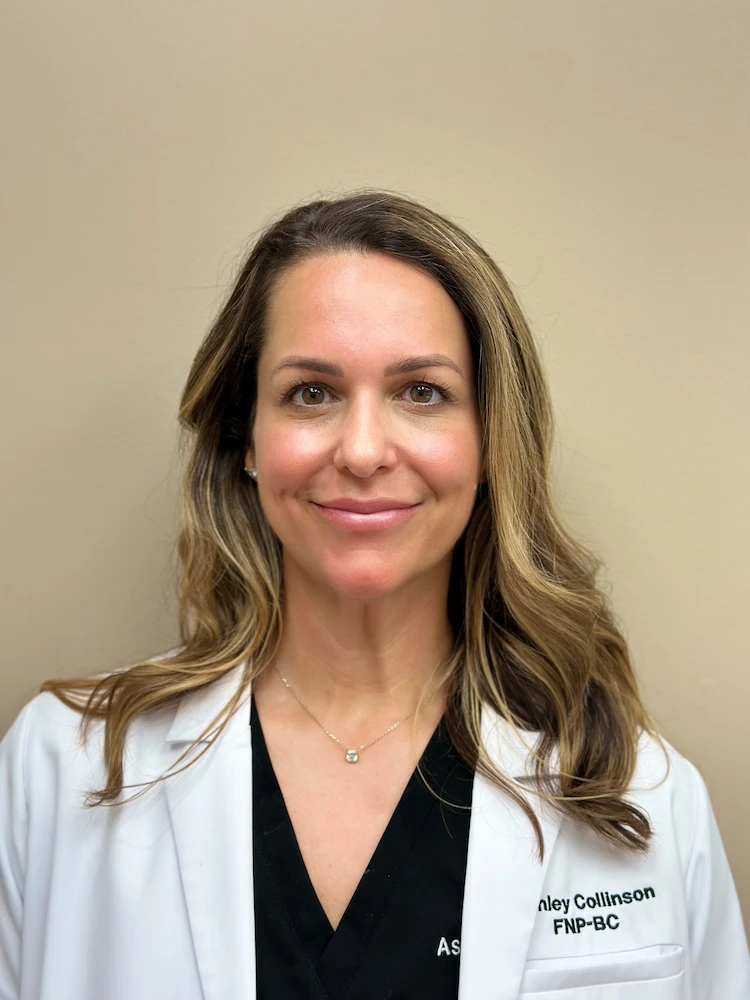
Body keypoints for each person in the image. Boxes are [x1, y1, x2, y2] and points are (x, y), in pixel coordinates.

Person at [0, 190, 748, 1000]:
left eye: (421, 391)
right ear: (244, 439)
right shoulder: (62, 771)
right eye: (311, 393)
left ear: (490, 440)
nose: (361, 451)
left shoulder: (636, 792)